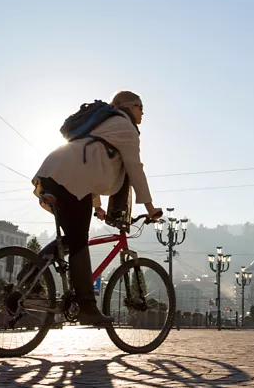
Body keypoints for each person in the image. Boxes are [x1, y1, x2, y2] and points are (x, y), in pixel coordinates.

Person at [32, 90, 162, 325]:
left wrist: (97, 206)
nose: (143, 111)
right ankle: (87, 307)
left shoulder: (105, 124)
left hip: (56, 173)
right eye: (140, 105)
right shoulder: (125, 126)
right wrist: (150, 207)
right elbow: (135, 169)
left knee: (72, 238)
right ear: (127, 106)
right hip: (67, 179)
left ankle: (29, 274)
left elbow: (92, 163)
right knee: (79, 239)